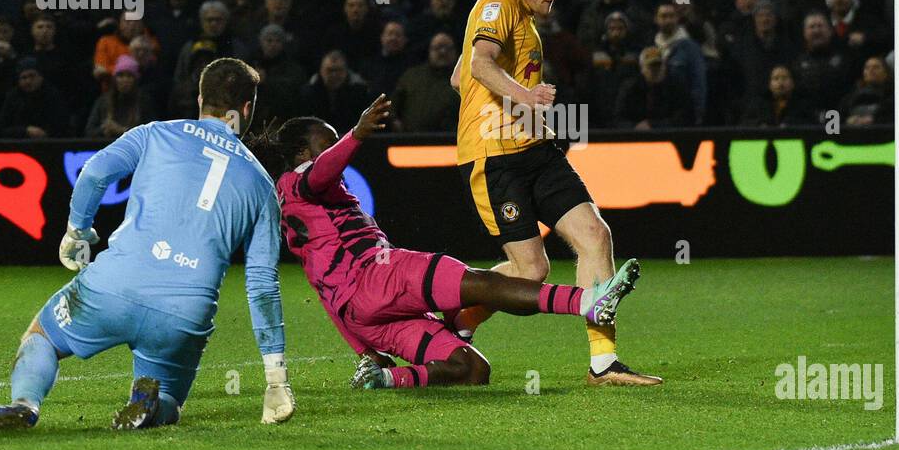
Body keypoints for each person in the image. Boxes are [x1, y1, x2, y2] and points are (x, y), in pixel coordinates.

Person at [0, 58, 293, 431]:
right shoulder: (261, 185)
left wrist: (77, 231)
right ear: (246, 109)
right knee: (169, 401)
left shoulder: (156, 133)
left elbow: (95, 172)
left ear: (199, 98)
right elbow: (262, 286)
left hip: (114, 286)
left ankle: (24, 404)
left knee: (42, 336)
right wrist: (276, 380)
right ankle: (148, 405)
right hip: (184, 313)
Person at [249, 97, 640, 390]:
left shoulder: (290, 208)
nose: (333, 152)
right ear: (302, 154)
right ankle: (585, 303)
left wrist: (365, 350)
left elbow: (322, 291)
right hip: (379, 274)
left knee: (473, 371)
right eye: (325, 144)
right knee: (481, 284)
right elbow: (319, 173)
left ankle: (387, 379)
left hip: (361, 315)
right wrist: (356, 134)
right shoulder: (300, 180)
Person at [449, 0, 662, 386]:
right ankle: (452, 316)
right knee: (531, 271)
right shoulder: (497, 3)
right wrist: (523, 98)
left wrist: (532, 119)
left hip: (535, 150)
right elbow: (480, 64)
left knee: (594, 235)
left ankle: (603, 363)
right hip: (494, 156)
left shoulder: (522, 20)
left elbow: (460, 77)